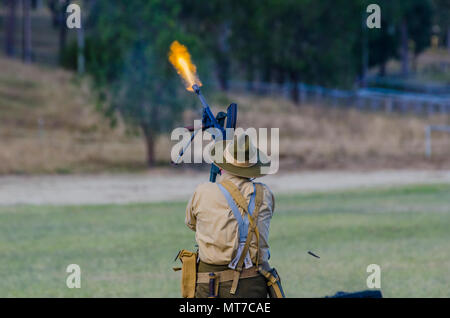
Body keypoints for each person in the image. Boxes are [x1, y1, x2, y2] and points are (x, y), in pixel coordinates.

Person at [184, 133, 280, 298]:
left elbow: (192, 224)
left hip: (210, 286)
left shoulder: (202, 191)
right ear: (253, 167)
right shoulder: (265, 194)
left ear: (221, 165)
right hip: (254, 283)